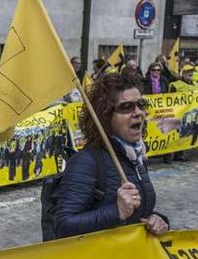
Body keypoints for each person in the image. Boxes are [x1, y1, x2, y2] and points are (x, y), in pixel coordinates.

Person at [55, 73, 169, 238]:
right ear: (105, 116)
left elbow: (138, 212)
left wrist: (157, 219)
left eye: (141, 104)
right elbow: (64, 226)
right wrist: (117, 211)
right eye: (126, 107)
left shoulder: (136, 155)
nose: (138, 112)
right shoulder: (86, 162)